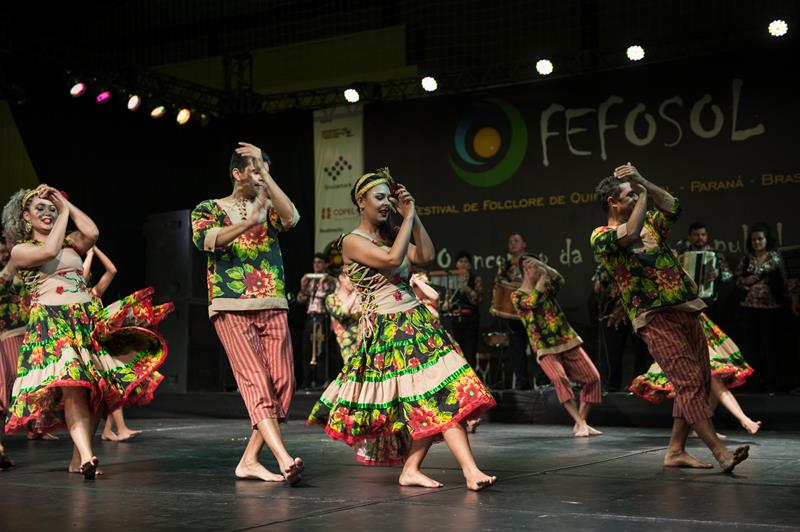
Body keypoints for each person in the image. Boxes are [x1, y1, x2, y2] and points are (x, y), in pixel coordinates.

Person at [308, 168, 497, 491]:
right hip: (391, 329)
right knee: (433, 394)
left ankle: (416, 469)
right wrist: (406, 218)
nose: (386, 204)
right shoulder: (352, 242)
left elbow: (425, 255)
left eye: (388, 198)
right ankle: (465, 470)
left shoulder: (391, 234)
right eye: (379, 198)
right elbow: (393, 261)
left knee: (441, 392)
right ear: (361, 201)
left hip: (416, 322)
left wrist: (414, 215)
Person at [591, 163, 749, 473]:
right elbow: (630, 233)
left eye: (635, 195)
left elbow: (673, 206)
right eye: (629, 195)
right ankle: (721, 453)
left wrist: (642, 182)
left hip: (686, 309)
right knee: (688, 382)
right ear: (613, 202)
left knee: (699, 381)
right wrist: (642, 196)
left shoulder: (651, 224)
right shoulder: (601, 236)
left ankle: (675, 450)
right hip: (654, 317)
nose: (636, 197)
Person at [2, 185, 166, 479]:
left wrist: (65, 204)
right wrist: (62, 212)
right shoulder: (21, 250)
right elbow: (49, 250)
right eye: (40, 208)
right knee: (74, 387)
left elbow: (92, 233)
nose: (48, 212)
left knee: (100, 392)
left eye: (51, 208)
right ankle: (89, 457)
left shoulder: (70, 242)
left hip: (84, 321)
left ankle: (78, 460)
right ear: (26, 216)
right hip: (53, 324)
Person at [191, 142, 303, 484]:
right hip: (230, 305)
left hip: (273, 302)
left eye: (265, 170)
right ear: (237, 173)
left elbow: (292, 218)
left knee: (284, 384)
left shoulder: (268, 206)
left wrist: (266, 178)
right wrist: (247, 223)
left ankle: (249, 460)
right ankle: (284, 458)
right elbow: (206, 240)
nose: (260, 176)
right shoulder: (209, 207)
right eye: (255, 170)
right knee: (256, 382)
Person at [82, 245, 172, 441]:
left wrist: (93, 249)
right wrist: (88, 255)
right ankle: (117, 429)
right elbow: (80, 277)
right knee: (113, 385)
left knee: (118, 383)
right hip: (88, 348)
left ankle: (110, 430)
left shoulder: (94, 293)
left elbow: (112, 270)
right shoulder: (76, 299)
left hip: (103, 345)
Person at [512, 257, 602, 437]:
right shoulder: (517, 296)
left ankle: (581, 423)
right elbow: (532, 302)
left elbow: (559, 279)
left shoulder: (546, 288)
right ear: (526, 269)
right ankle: (580, 422)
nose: (539, 271)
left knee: (593, 378)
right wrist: (541, 280)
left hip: (566, 339)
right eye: (534, 267)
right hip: (544, 346)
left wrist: (543, 266)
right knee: (560, 379)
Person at [630, 312, 760, 435]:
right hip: (680, 330)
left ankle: (732, 423)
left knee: (714, 379)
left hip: (697, 327)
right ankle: (744, 420)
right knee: (712, 379)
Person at [735, 223, 789, 392]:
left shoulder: (775, 258)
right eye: (753, 239)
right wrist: (745, 281)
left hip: (771, 308)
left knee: (770, 345)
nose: (757, 242)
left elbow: (786, 279)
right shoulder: (746, 259)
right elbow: (736, 280)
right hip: (749, 307)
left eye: (760, 239)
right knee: (751, 346)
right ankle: (753, 383)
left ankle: (772, 382)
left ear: (766, 240)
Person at [675, 222, 733, 320]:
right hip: (687, 302)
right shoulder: (682, 255)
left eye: (703, 234)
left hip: (708, 303)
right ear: (689, 237)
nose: (700, 238)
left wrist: (718, 273)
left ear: (707, 236)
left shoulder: (716, 254)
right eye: (696, 235)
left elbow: (729, 275)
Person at [297, 253, 336, 389]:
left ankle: (322, 379)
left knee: (321, 349)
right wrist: (303, 287)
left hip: (323, 317)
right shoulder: (310, 280)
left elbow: (333, 298)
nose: (316, 265)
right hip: (310, 317)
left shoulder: (331, 280)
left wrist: (325, 284)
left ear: (326, 264)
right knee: (307, 349)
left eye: (319, 262)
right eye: (314, 262)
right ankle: (307, 380)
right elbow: (300, 300)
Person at [442, 251, 483, 369]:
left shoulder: (475, 279)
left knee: (470, 351)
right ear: (456, 264)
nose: (463, 264)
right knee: (456, 352)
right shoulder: (452, 281)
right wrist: (447, 304)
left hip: (471, 319)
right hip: (455, 319)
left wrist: (466, 288)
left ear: (470, 264)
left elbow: (478, 300)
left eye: (466, 261)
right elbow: (447, 301)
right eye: (461, 261)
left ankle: (472, 377)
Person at [325, 271, 360, 363]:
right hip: (347, 345)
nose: (354, 281)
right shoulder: (332, 298)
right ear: (341, 278)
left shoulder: (359, 297)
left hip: (364, 341)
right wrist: (355, 293)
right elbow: (341, 314)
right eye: (350, 277)